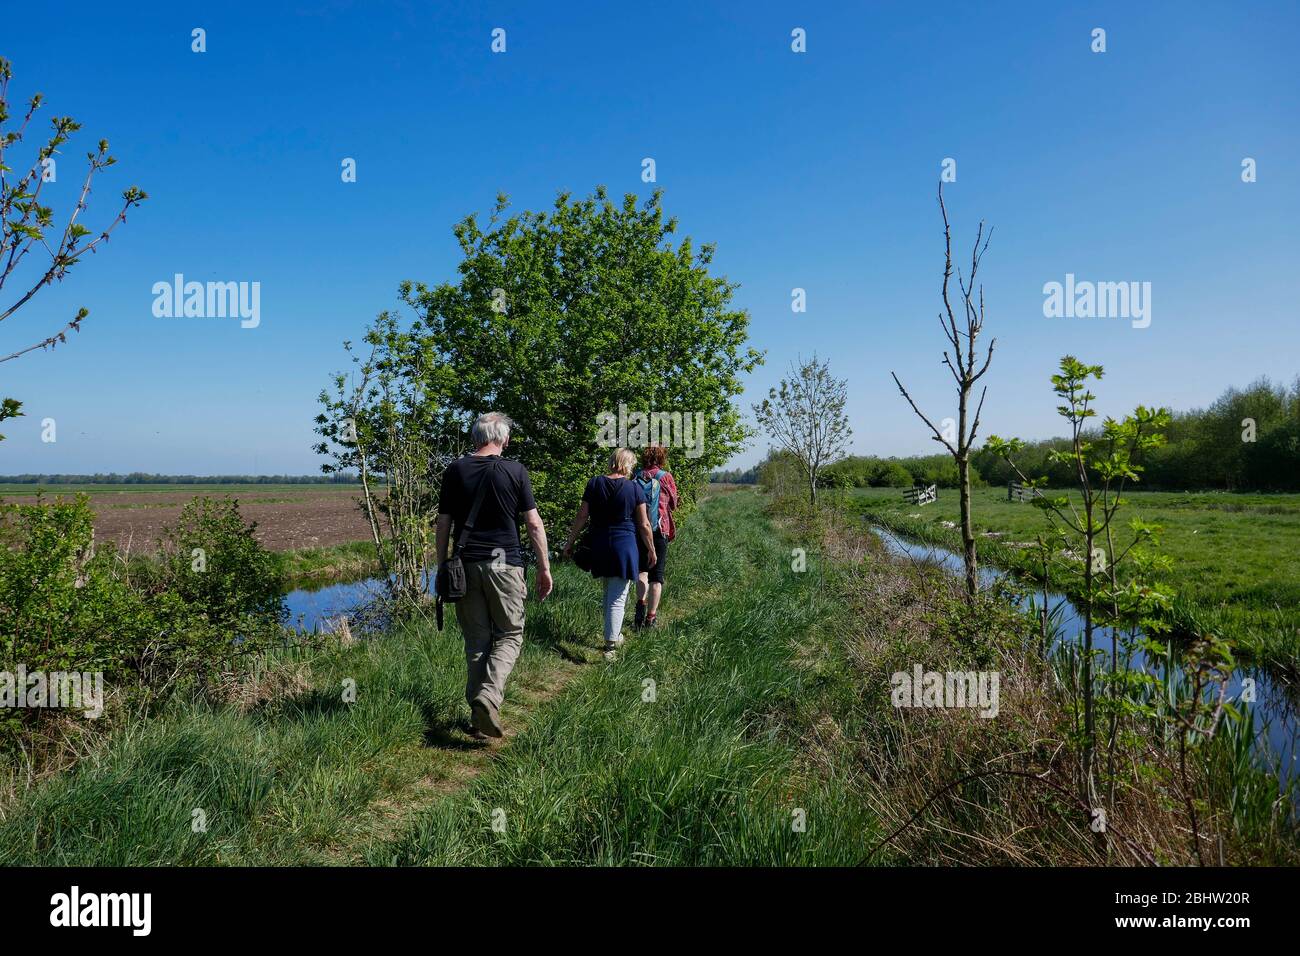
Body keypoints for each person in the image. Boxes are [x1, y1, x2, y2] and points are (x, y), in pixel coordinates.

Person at [436, 412, 552, 740]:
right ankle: (488, 698)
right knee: (511, 634)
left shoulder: (455, 470)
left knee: (477, 640)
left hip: (465, 564)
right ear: (503, 438)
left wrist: (442, 564)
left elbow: (443, 523)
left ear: (476, 438)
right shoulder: (515, 471)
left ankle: (478, 720)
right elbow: (533, 523)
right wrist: (544, 566)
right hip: (506, 565)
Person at [562, 448, 656, 660]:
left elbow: (582, 515)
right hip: (624, 546)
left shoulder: (594, 483)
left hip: (599, 544)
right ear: (628, 464)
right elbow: (644, 524)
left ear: (612, 462)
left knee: (608, 592)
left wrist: (570, 541)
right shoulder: (633, 489)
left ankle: (614, 634)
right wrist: (651, 549)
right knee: (617, 597)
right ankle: (610, 646)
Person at [632, 444, 678, 629]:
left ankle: (639, 607)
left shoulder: (635, 475)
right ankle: (651, 618)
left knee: (642, 571)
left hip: (639, 529)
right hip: (659, 529)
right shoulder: (665, 476)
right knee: (656, 576)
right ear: (661, 458)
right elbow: (674, 504)